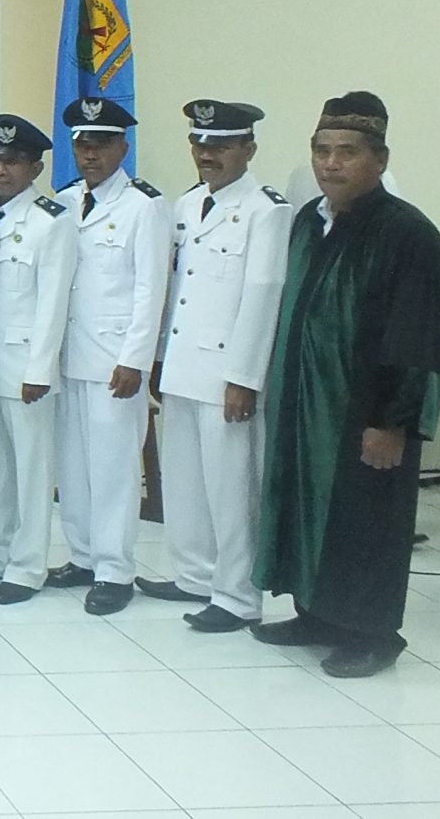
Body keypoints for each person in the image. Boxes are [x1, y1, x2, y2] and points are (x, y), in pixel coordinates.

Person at [255, 92, 440, 677]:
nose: (331, 164)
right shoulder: (309, 222)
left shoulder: (407, 233)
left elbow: (414, 336)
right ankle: (316, 613)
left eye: (347, 152)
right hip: (305, 407)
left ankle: (373, 634)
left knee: (367, 522)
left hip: (365, 413)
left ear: (380, 160)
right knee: (306, 511)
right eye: (322, 151)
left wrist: (390, 421)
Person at [143, 101, 291, 631]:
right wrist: (159, 357)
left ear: (248, 149)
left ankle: (237, 597)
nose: (207, 155)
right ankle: (194, 575)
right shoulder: (187, 204)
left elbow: (263, 295)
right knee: (185, 483)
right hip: (183, 366)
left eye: (222, 145)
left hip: (227, 375)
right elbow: (175, 289)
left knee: (232, 493)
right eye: (200, 144)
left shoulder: (266, 210)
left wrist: (244, 379)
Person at [46, 98, 169, 616]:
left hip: (115, 361)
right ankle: (82, 556)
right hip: (68, 356)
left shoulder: (144, 206)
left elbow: (150, 288)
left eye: (100, 144)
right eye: (82, 144)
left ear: (123, 147)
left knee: (114, 470)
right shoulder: (64, 201)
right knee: (73, 468)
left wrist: (135, 359)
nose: (90, 155)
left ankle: (115, 570)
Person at [0, 114, 76, 605]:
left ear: (35, 168)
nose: (1, 169)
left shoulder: (50, 222)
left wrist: (40, 370)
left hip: (25, 370)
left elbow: (53, 303)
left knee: (32, 472)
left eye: (13, 161)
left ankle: (28, 565)